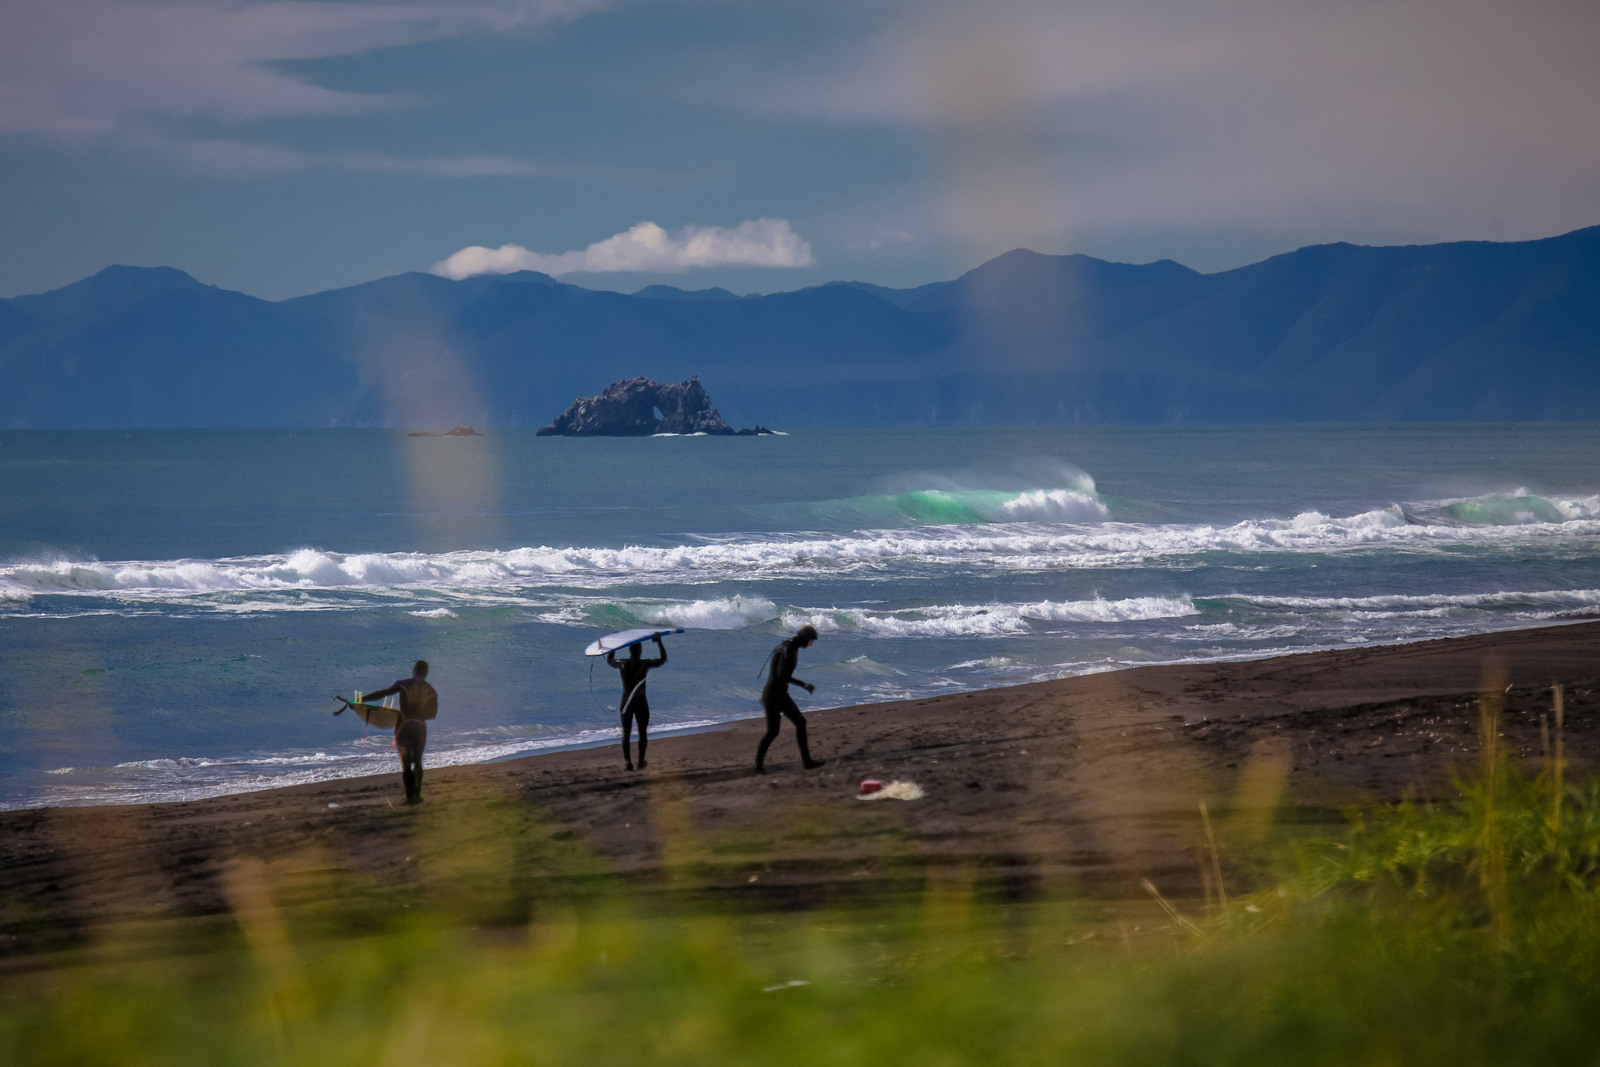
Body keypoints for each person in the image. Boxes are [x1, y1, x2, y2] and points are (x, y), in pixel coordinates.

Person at [357, 660, 437, 804]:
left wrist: (362, 699)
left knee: (406, 763)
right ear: (426, 673)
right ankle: (417, 796)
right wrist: (418, 714)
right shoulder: (431, 691)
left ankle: (409, 798)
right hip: (420, 727)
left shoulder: (404, 684)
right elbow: (432, 714)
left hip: (404, 727)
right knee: (418, 761)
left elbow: (383, 693)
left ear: (414, 670)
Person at [756, 624, 826, 774]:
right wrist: (803, 684)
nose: (811, 644)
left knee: (800, 722)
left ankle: (807, 762)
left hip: (780, 694)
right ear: (805, 639)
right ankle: (758, 766)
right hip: (773, 696)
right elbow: (782, 675)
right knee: (773, 732)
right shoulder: (789, 650)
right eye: (811, 641)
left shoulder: (787, 645)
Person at [608, 634, 666, 770]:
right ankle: (640, 761)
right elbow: (663, 660)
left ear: (630, 651)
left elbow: (610, 660)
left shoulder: (622, 663)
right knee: (642, 732)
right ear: (640, 651)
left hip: (626, 701)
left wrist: (614, 644)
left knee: (626, 732)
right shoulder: (644, 664)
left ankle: (628, 762)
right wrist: (659, 642)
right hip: (641, 702)